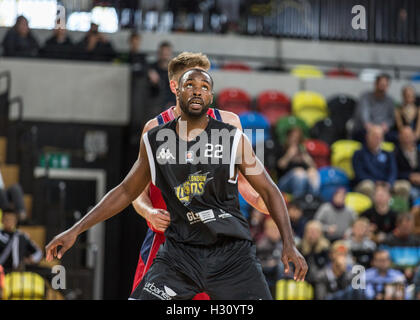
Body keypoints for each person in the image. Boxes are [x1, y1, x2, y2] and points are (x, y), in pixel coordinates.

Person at [45, 69, 308, 300]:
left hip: (232, 256)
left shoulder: (233, 138)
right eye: (190, 85)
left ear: (211, 98)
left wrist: (289, 243)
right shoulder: (156, 139)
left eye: (204, 87)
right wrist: (75, 230)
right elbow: (126, 191)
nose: (197, 91)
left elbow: (269, 189)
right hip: (180, 255)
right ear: (177, 92)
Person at [130, 52, 269, 299]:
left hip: (214, 240)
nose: (199, 88)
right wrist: (148, 212)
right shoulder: (154, 129)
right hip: (168, 240)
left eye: (205, 82)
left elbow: (244, 183)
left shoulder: (229, 123)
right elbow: (134, 194)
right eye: (191, 82)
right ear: (175, 86)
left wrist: (263, 201)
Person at [352, 125, 399, 199]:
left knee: (403, 186)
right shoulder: (359, 154)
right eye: (374, 136)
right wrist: (376, 183)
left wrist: (388, 183)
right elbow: (359, 174)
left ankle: (398, 209)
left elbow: (393, 171)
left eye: (380, 137)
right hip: (369, 183)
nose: (377, 139)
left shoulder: (388, 154)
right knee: (367, 186)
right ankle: (371, 209)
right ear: (367, 137)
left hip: (385, 183)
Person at [277, 126, 320, 198]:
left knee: (312, 172)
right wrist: (289, 155)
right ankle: (298, 200)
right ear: (288, 137)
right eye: (293, 137)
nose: (295, 140)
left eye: (297, 138)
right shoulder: (282, 148)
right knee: (299, 172)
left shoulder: (302, 151)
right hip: (284, 182)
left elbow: (315, 168)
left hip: (303, 179)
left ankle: (313, 199)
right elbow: (280, 166)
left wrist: (307, 159)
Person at [352, 73, 396, 143]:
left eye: (385, 85)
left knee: (397, 137)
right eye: (381, 85)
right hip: (366, 129)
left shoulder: (390, 100)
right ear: (376, 84)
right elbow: (364, 116)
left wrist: (386, 125)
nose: (383, 88)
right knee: (368, 136)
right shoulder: (365, 97)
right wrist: (372, 128)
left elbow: (391, 118)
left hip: (382, 130)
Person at [380, 212, 420, 282]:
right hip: (393, 277)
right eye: (405, 227)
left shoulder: (417, 241)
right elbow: (383, 262)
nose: (408, 230)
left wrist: (412, 269)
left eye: (410, 227)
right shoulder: (387, 242)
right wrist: (403, 270)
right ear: (397, 225)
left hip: (415, 275)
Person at [0, 208, 42, 272]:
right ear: (2, 220)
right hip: (2, 271)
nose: (9, 222)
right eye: (6, 219)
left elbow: (38, 252)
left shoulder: (22, 236)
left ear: (16, 221)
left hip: (19, 273)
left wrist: (31, 259)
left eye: (11, 219)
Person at [256, 216, 284, 295]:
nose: (276, 232)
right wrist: (269, 263)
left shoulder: (283, 243)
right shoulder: (261, 244)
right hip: (266, 272)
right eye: (273, 229)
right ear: (266, 231)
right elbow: (256, 262)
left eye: (277, 229)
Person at [297, 220, 330, 285]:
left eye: (315, 232)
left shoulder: (326, 248)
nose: (312, 234)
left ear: (320, 233)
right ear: (305, 233)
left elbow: (328, 266)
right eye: (310, 231)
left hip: (320, 279)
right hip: (303, 279)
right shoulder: (300, 247)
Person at [148, 41, 175, 111]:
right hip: (154, 104)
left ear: (170, 54)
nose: (164, 55)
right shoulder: (151, 68)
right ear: (159, 54)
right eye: (162, 53)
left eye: (167, 53)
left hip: (171, 104)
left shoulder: (175, 71)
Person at [395, 126, 420, 200]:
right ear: (400, 138)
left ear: (413, 137)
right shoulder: (395, 154)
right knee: (414, 194)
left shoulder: (419, 152)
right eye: (405, 136)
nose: (407, 139)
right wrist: (409, 176)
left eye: (409, 136)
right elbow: (394, 173)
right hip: (406, 183)